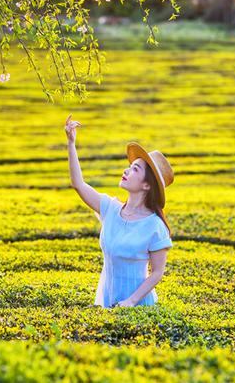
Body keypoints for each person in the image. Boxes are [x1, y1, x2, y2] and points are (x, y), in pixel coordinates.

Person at [64, 115, 174, 308]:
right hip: (107, 300)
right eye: (129, 167)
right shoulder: (110, 209)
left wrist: (131, 301)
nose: (126, 171)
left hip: (139, 306)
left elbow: (157, 272)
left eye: (135, 169)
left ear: (147, 185)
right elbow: (78, 184)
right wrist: (71, 143)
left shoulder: (155, 225)